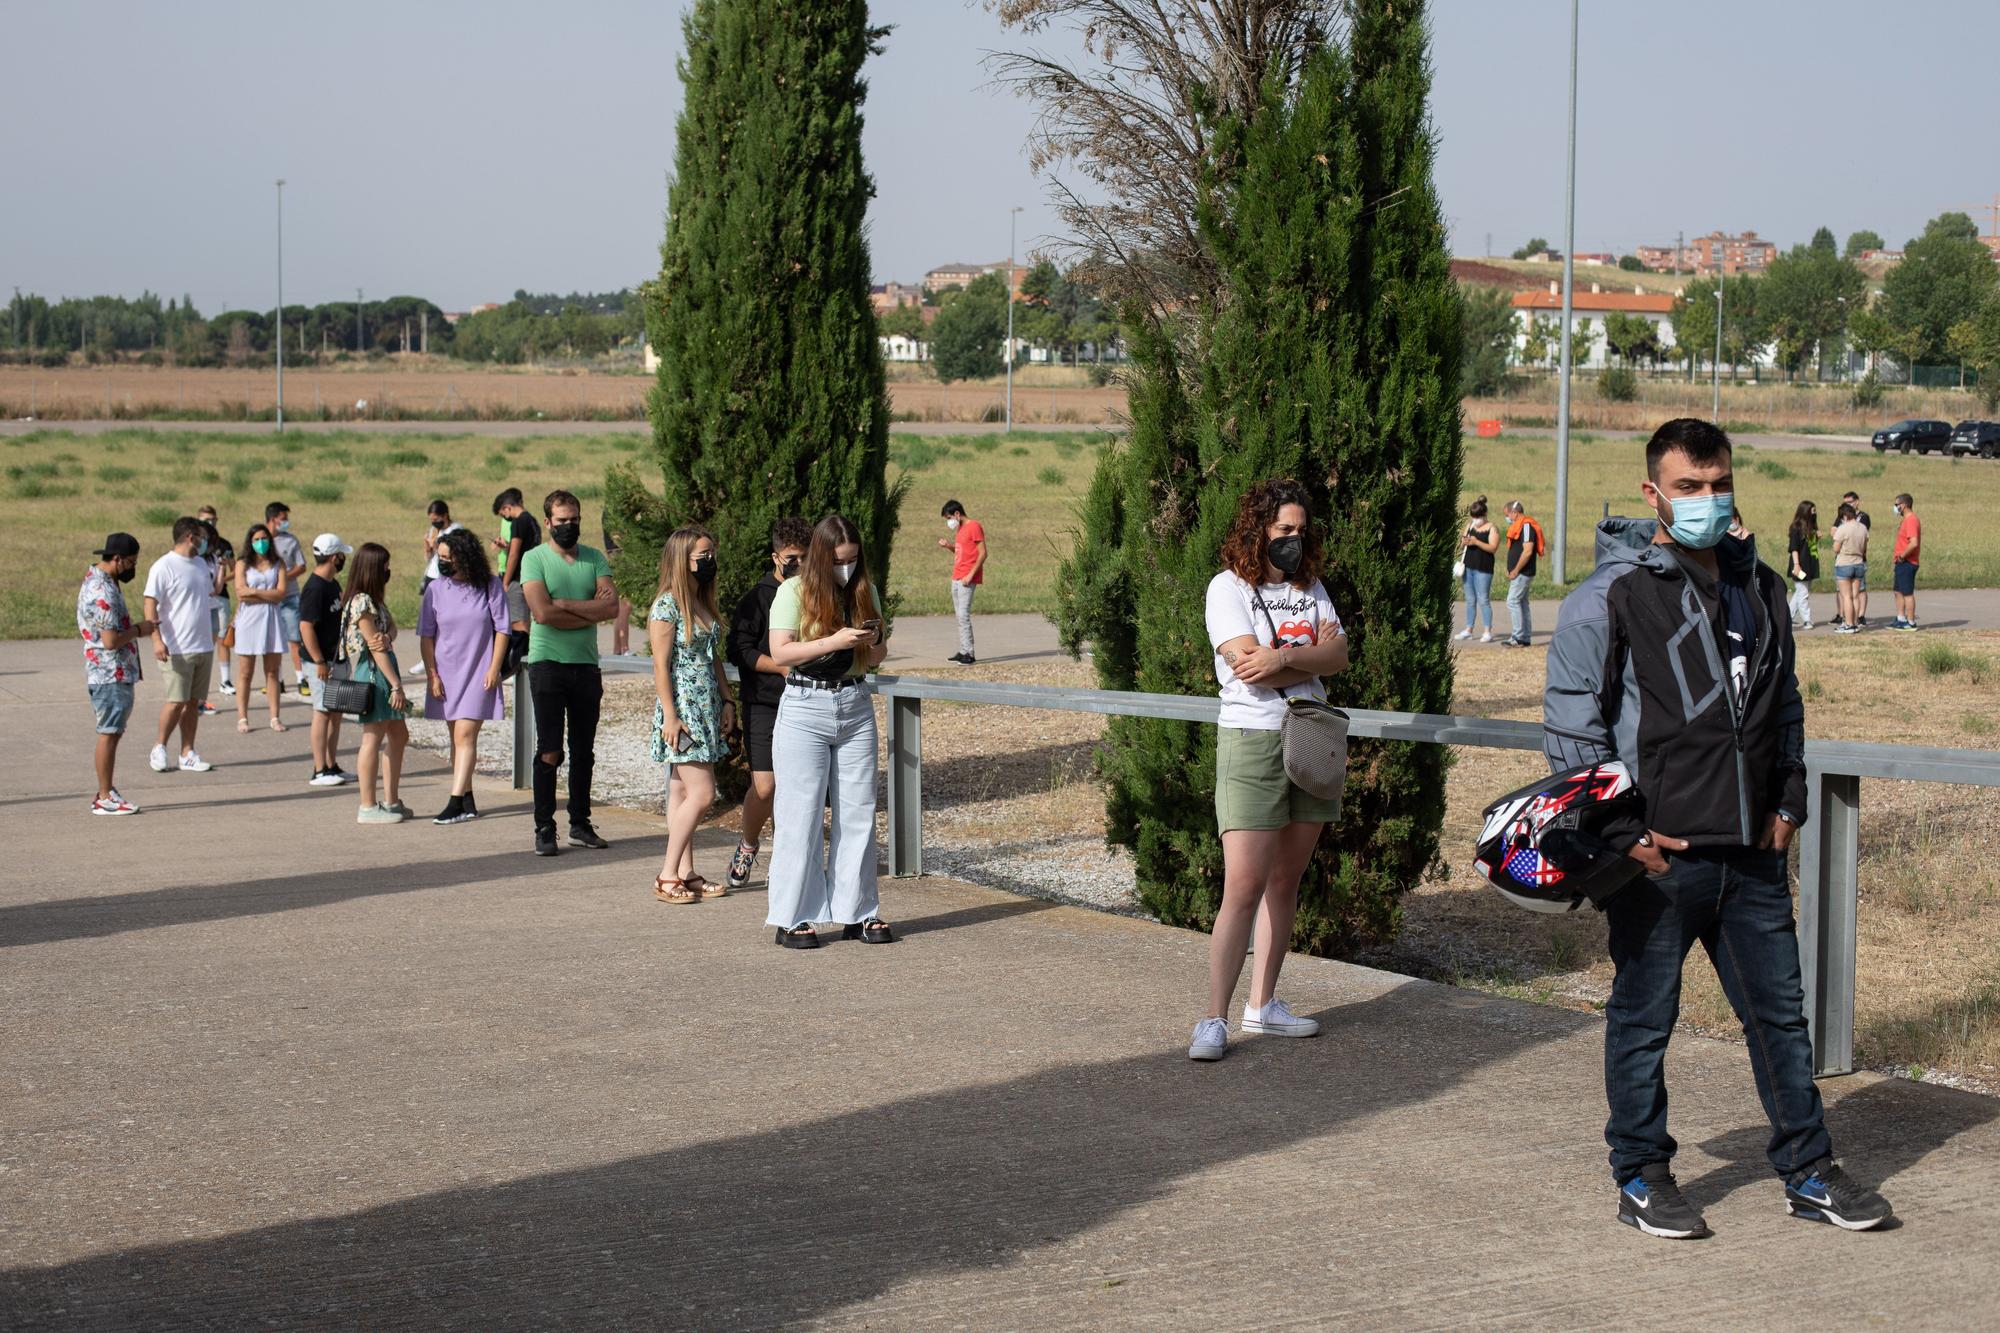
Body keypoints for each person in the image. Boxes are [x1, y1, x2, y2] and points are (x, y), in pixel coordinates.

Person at [1544, 418, 1891, 1240]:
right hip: (1659, 860)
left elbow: (1787, 708)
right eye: (1689, 486)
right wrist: (1622, 832)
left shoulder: (1761, 586)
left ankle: (1807, 1169)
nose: (1706, 500)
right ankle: (1640, 1172)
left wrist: (1789, 803)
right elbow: (1572, 730)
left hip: (1753, 857)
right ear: (1653, 493)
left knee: (1779, 1018)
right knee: (1644, 1019)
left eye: (1719, 483)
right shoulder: (1610, 596)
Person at [1188, 479, 1350, 1061]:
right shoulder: (1226, 588)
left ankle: (1264, 1008)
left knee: (1286, 881)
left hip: (1310, 738)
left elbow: (1339, 656)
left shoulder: (1312, 588)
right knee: (1243, 886)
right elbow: (1245, 669)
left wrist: (1281, 656)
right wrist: (1301, 661)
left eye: (1301, 532)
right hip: (1253, 742)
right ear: (1258, 528)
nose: (1294, 541)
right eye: (1284, 530)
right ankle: (1213, 1019)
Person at [764, 514, 891, 948]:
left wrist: (872, 640)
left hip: (854, 703)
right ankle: (792, 916)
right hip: (805, 706)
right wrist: (835, 640)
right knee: (801, 814)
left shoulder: (864, 589)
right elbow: (781, 652)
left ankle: (859, 912)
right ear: (820, 556)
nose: (847, 569)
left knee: (859, 811)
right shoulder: (793, 591)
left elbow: (875, 659)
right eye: (839, 561)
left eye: (853, 560)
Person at [519, 488, 617, 857]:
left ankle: (580, 822)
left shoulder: (593, 558)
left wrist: (565, 604)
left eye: (574, 520)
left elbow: (611, 609)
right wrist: (587, 608)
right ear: (548, 523)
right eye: (561, 521)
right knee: (550, 751)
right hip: (547, 664)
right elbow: (542, 614)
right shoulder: (534, 559)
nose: (569, 526)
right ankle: (545, 827)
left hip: (585, 666)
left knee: (584, 751)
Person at [648, 526, 737, 902]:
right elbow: (660, 665)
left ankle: (685, 872)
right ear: (682, 560)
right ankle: (667, 874)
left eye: (711, 554)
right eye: (702, 556)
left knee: (682, 791)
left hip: (707, 707)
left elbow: (712, 656)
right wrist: (670, 715)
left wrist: (728, 700)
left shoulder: (701, 601)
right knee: (703, 793)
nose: (709, 562)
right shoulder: (667, 606)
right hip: (682, 711)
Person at [724, 518, 811, 890]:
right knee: (765, 785)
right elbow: (738, 651)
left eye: (807, 557)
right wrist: (782, 667)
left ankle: (790, 860)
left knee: (801, 787)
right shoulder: (757, 598)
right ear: (775, 556)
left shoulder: (815, 592)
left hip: (807, 701)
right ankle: (748, 845)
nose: (800, 565)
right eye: (793, 558)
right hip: (764, 703)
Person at [419, 528, 510, 825]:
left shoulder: (490, 585)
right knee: (455, 739)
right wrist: (432, 674)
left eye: (448, 557)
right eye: (439, 557)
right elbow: (426, 637)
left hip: (480, 671)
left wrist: (494, 668)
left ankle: (455, 801)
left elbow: (502, 629)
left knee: (465, 735)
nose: (443, 562)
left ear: (465, 556)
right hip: (446, 674)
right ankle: (468, 799)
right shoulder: (435, 590)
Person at [78, 533, 154, 814]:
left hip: (110, 670)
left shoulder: (102, 580)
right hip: (109, 672)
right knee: (108, 733)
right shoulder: (104, 591)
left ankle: (106, 788)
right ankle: (104, 795)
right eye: (131, 562)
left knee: (112, 732)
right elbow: (110, 640)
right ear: (117, 559)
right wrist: (138, 630)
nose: (133, 567)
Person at [340, 542, 413, 824]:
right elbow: (375, 647)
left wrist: (387, 635)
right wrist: (395, 684)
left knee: (398, 735)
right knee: (372, 737)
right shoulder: (361, 602)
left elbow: (390, 629)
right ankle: (367, 805)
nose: (388, 570)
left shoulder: (374, 601)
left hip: (383, 671)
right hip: (376, 674)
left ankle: (391, 800)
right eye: (385, 565)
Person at [142, 517, 218, 775]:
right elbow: (150, 603)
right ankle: (159, 746)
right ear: (189, 536)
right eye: (201, 536)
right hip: (176, 646)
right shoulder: (163, 566)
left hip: (203, 644)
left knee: (193, 703)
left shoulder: (200, 564)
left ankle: (187, 752)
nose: (204, 541)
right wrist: (156, 639)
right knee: (176, 701)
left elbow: (206, 597)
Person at [298, 534, 355, 786]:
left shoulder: (332, 584)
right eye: (341, 555)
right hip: (321, 662)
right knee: (322, 711)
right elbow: (306, 627)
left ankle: (332, 765)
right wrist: (319, 660)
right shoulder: (315, 587)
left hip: (337, 657)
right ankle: (319, 768)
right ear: (334, 557)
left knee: (335, 712)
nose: (343, 559)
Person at [229, 523, 292, 733]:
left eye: (263, 539)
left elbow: (280, 593)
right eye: (256, 539)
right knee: (245, 672)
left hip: (271, 618)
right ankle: (242, 717)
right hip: (248, 620)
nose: (260, 543)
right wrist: (265, 593)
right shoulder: (243, 564)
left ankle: (274, 716)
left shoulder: (278, 563)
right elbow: (240, 592)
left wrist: (253, 592)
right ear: (250, 541)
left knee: (272, 671)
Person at [266, 502, 310, 696]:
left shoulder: (290, 541)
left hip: (290, 596)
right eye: (283, 519)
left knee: (294, 639)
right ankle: (278, 679)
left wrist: (284, 577)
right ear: (272, 519)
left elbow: (301, 566)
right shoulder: (261, 540)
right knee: (273, 641)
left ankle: (301, 679)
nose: (286, 523)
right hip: (269, 598)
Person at [937, 499, 986, 664]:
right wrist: (949, 546)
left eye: (949, 517)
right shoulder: (960, 528)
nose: (949, 522)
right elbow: (960, 552)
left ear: (957, 513)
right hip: (956, 577)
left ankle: (970, 654)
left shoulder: (974, 526)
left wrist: (971, 575)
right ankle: (963, 650)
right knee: (959, 616)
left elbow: (983, 553)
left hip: (966, 579)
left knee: (964, 615)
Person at [194, 506, 234, 702]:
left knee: (222, 638)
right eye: (205, 520)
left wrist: (222, 570)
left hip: (219, 598)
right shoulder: (194, 549)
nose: (209, 524)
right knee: (203, 645)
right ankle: (199, 693)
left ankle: (225, 681)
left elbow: (232, 573)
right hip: (199, 604)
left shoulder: (221, 546)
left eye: (212, 520)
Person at [491, 487, 542, 635]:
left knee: (518, 623)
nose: (505, 517)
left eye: (503, 513)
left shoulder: (518, 522)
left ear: (507, 507)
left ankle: (520, 655)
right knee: (526, 620)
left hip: (517, 578)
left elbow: (514, 553)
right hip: (531, 576)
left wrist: (505, 582)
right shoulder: (532, 520)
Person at [1455, 495, 1499, 643]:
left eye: (1478, 517)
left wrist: (1476, 542)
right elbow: (1461, 544)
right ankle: (1469, 629)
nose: (1475, 520)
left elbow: (1493, 548)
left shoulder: (1492, 528)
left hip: (1484, 569)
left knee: (1483, 599)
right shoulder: (1470, 526)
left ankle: (1487, 631)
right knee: (1470, 599)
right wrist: (1464, 542)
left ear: (1484, 515)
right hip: (1468, 567)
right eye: (1473, 517)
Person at [1500, 499, 1543, 648]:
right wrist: (1510, 567)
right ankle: (1525, 637)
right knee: (1522, 603)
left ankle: (1517, 637)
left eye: (1508, 515)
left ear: (1515, 512)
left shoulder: (1526, 526)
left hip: (1523, 572)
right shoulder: (1520, 526)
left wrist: (1516, 569)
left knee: (1512, 601)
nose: (1507, 518)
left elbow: (1527, 551)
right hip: (1520, 571)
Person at [1830, 502, 1868, 635]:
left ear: (1845, 516)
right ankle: (1856, 622)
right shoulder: (1863, 528)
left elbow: (1836, 548)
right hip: (1859, 563)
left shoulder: (1843, 528)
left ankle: (1848, 624)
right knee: (1855, 596)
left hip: (1844, 563)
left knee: (1846, 596)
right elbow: (1864, 548)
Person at [1784, 500, 1820, 631]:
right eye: (1813, 510)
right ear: (1806, 511)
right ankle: (1807, 620)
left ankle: (1787, 617)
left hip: (1809, 564)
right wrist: (1797, 565)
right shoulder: (1796, 527)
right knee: (1803, 594)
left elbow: (1810, 545)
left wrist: (1816, 537)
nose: (1815, 513)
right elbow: (1794, 548)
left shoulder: (1811, 527)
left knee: (1800, 592)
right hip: (1799, 564)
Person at [1839, 491, 1871, 625]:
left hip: (1856, 559)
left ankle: (1857, 617)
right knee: (1847, 593)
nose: (1848, 505)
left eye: (1850, 502)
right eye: (1846, 503)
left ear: (1857, 502)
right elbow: (1833, 529)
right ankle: (1847, 617)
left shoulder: (1863, 518)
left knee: (1856, 592)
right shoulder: (1842, 517)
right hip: (1848, 558)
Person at [1891, 492, 1920, 631]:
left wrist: (1902, 556)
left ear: (1904, 505)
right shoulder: (1905, 520)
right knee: (1898, 591)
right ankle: (1901, 618)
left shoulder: (1911, 520)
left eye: (1897, 505)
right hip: (1900, 562)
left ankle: (1911, 622)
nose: (1895, 508)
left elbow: (1913, 543)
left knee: (1907, 593)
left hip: (1907, 562)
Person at [604, 516, 632, 656]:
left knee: (622, 607)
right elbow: (618, 538)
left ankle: (617, 649)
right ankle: (624, 647)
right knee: (625, 606)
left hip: (619, 560)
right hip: (619, 561)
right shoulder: (612, 511)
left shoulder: (610, 510)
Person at [421, 499, 462, 594]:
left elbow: (456, 553)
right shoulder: (434, 530)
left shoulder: (456, 530)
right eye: (431, 520)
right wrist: (427, 545)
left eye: (436, 519)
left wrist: (436, 546)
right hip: (431, 574)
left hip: (447, 575)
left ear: (445, 515)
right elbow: (428, 557)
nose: (434, 523)